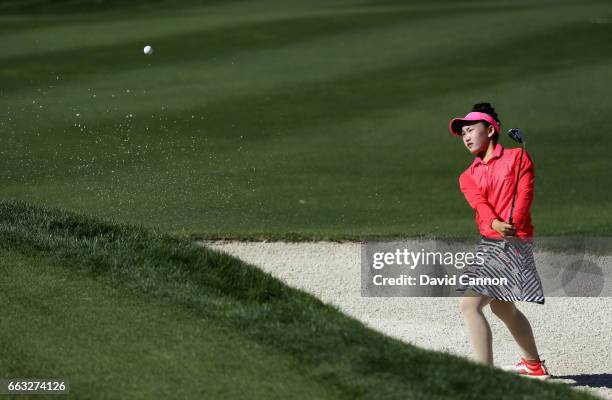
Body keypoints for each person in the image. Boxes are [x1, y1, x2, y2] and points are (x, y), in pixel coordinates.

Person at [449, 102, 551, 379]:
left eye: (471, 130)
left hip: (513, 243)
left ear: (491, 130)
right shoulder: (467, 176)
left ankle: (485, 378)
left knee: (469, 304)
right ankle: (534, 366)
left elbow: (524, 196)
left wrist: (513, 224)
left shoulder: (519, 158)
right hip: (490, 243)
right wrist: (495, 222)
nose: (466, 137)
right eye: (463, 134)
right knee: (501, 305)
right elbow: (479, 204)